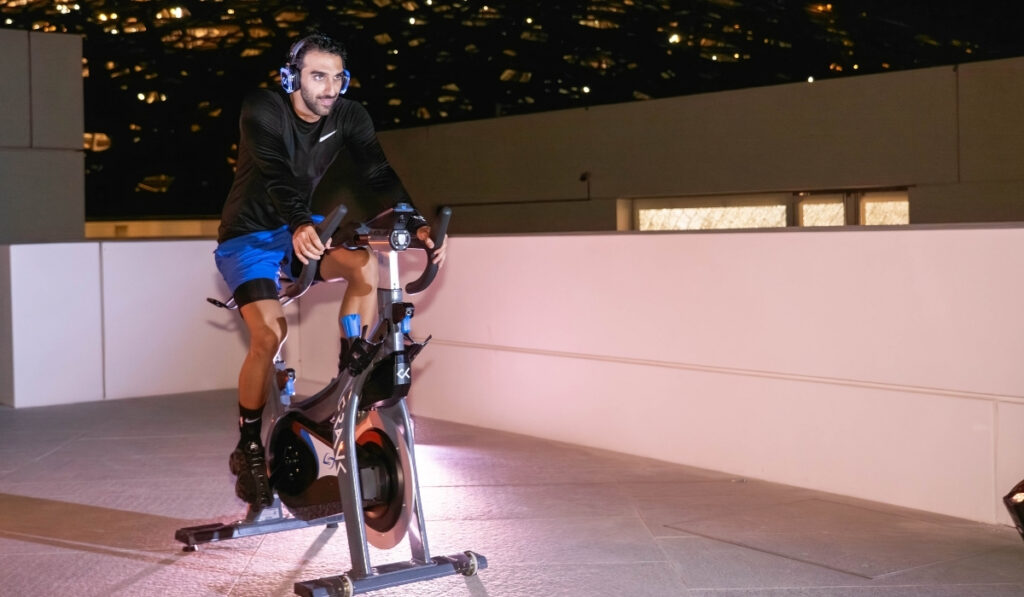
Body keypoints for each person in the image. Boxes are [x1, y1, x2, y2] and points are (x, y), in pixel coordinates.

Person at [213, 32, 446, 510]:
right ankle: (250, 444)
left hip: (302, 228)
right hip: (250, 237)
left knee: (363, 265)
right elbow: (275, 169)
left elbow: (378, 174)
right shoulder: (264, 108)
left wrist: (416, 223)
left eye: (337, 77)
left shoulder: (349, 115)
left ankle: (350, 372)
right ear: (290, 77)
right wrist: (298, 222)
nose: (330, 88)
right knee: (267, 336)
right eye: (318, 76)